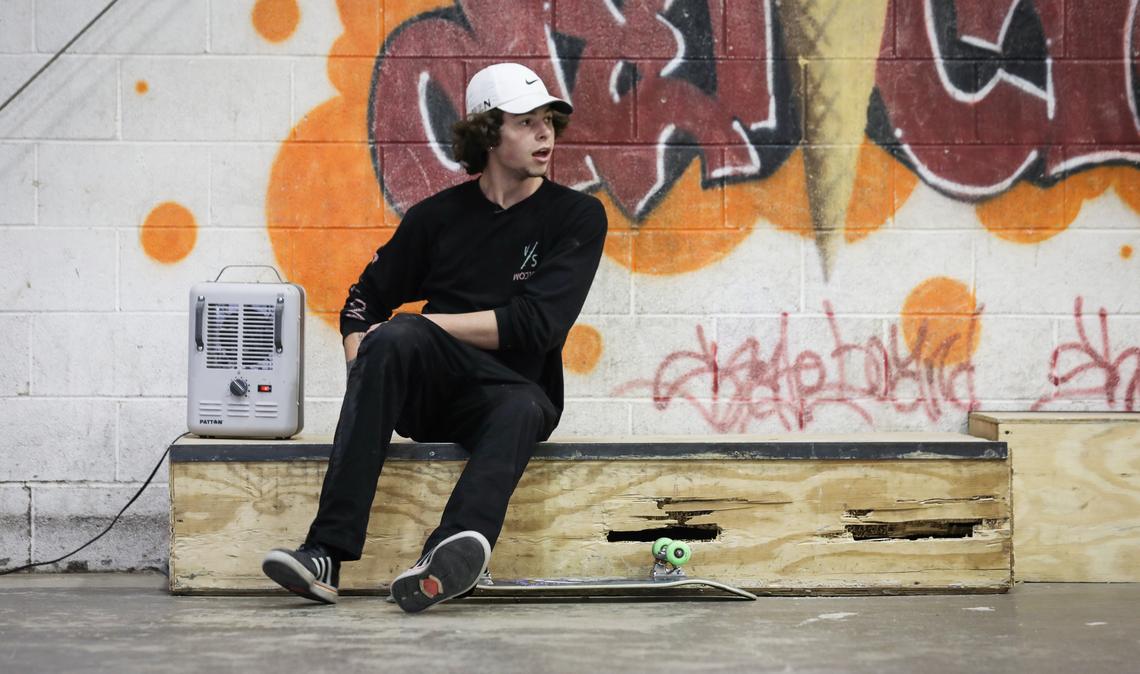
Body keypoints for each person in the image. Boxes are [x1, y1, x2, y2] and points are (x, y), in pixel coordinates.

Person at [261, 62, 608, 613]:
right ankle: (324, 554)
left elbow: (536, 326)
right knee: (393, 340)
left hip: (512, 393)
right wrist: (367, 360)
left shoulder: (576, 216)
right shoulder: (436, 218)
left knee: (513, 401)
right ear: (489, 133)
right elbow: (362, 305)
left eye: (548, 121)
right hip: (430, 399)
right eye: (526, 122)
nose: (545, 134)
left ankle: (445, 556)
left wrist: (418, 326)